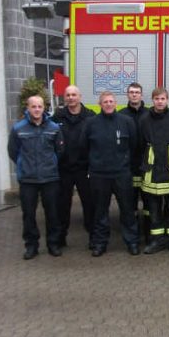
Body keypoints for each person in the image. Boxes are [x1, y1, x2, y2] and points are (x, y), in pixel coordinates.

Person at [80, 91, 139, 256]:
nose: (108, 104)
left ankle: (132, 242)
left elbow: (133, 145)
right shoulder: (90, 123)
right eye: (105, 101)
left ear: (116, 103)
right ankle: (100, 243)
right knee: (100, 212)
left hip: (122, 173)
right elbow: (83, 147)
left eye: (111, 101)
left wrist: (125, 163)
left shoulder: (126, 122)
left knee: (127, 210)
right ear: (100, 104)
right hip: (99, 175)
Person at [8, 95, 65, 259]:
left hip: (50, 178)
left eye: (40, 106)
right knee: (29, 215)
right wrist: (23, 165)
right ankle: (31, 246)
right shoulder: (19, 128)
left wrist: (50, 163)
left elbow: (60, 151)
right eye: (34, 106)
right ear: (28, 108)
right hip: (28, 179)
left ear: (44, 108)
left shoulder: (53, 127)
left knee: (53, 213)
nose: (37, 109)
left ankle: (53, 244)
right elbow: (13, 151)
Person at [139, 87, 169, 254]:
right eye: (156, 99)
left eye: (162, 99)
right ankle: (156, 241)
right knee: (153, 210)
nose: (159, 101)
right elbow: (139, 145)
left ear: (167, 100)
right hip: (151, 171)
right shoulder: (144, 120)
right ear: (152, 100)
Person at [51, 85, 95, 248]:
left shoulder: (90, 116)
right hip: (64, 169)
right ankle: (60, 238)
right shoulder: (57, 117)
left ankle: (93, 237)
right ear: (65, 97)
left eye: (74, 95)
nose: (71, 98)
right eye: (68, 95)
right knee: (62, 205)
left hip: (84, 169)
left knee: (90, 204)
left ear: (80, 97)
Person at [119, 82, 149, 240]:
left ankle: (149, 232)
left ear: (141, 95)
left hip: (147, 166)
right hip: (128, 166)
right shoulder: (121, 114)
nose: (134, 94)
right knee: (129, 204)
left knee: (149, 204)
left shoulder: (150, 114)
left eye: (137, 92)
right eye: (131, 92)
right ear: (128, 95)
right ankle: (132, 234)